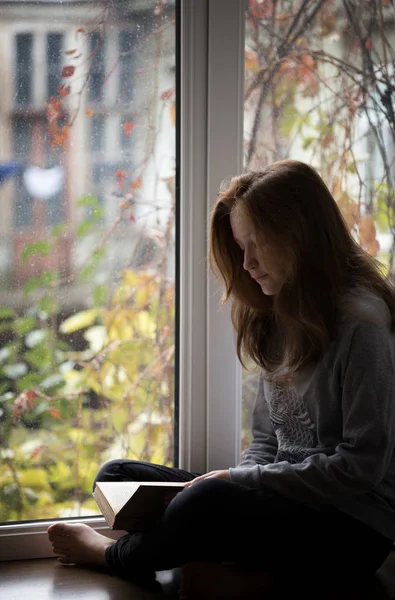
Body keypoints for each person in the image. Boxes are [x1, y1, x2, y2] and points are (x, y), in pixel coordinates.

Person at [48, 159, 395, 599]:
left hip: (352, 527)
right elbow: (269, 442)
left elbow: (361, 468)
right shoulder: (277, 314)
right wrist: (240, 484)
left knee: (202, 502)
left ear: (300, 234)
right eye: (239, 245)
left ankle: (114, 556)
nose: (246, 263)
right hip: (285, 507)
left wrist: (235, 484)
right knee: (117, 476)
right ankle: (248, 576)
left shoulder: (362, 325)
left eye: (257, 244)